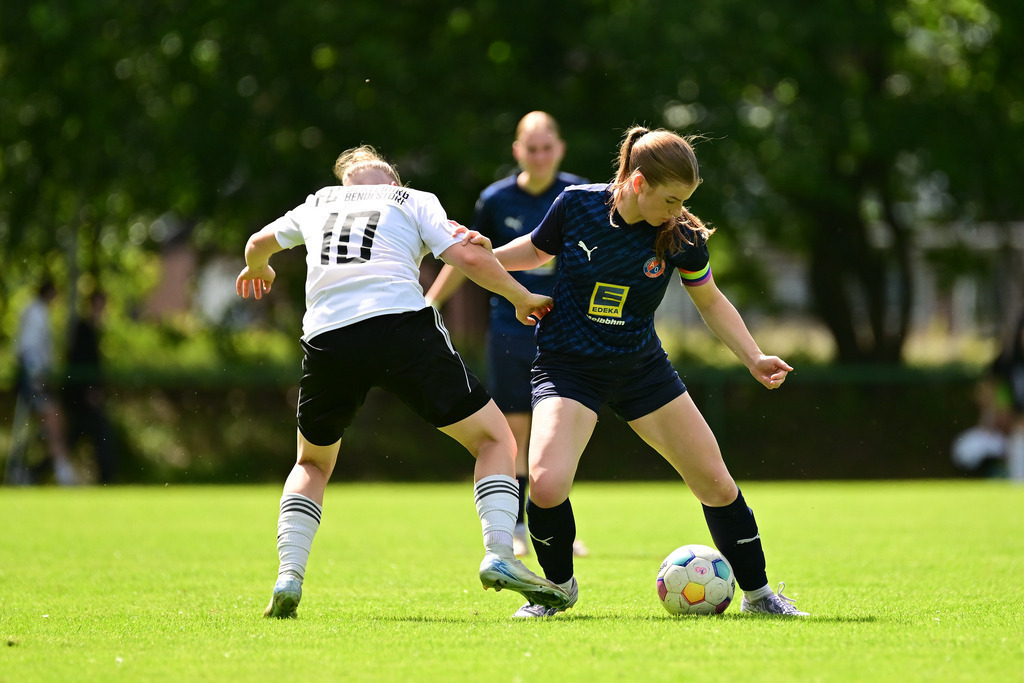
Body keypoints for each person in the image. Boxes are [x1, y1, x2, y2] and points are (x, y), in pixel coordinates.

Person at [478, 125, 809, 618]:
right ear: (637, 182)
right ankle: (556, 591)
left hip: (641, 369)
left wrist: (753, 357)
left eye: (685, 201)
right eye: (671, 200)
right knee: (545, 485)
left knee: (716, 483)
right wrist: (477, 257)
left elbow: (710, 301)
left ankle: (761, 597)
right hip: (569, 367)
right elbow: (535, 250)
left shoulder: (682, 236)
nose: (678, 212)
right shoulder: (577, 205)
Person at [235, 144, 572, 618]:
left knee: (311, 463)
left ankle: (289, 575)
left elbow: (256, 244)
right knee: (495, 439)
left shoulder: (319, 203)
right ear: (393, 181)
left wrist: (259, 268)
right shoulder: (411, 199)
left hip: (329, 339)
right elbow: (468, 258)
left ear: (345, 185)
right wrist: (521, 297)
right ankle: (499, 552)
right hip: (400, 328)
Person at [425, 111, 590, 558]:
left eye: (547, 147)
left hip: (565, 328)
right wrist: (430, 304)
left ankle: (557, 525)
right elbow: (467, 257)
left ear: (560, 148)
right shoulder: (495, 200)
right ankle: (517, 524)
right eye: (531, 148)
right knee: (515, 428)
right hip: (509, 330)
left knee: (559, 431)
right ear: (518, 151)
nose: (540, 156)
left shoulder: (579, 195)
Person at [6, 279, 78, 486]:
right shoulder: (35, 313)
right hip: (33, 379)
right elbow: (28, 350)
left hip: (37, 378)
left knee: (53, 419)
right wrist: (37, 378)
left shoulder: (38, 312)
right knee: (52, 419)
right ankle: (60, 469)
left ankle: (51, 468)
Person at [63, 290, 118, 484]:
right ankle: (107, 476)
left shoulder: (91, 330)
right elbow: (81, 362)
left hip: (84, 394)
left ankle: (106, 476)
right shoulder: (84, 330)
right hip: (82, 396)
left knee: (74, 437)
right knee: (97, 432)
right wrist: (90, 390)